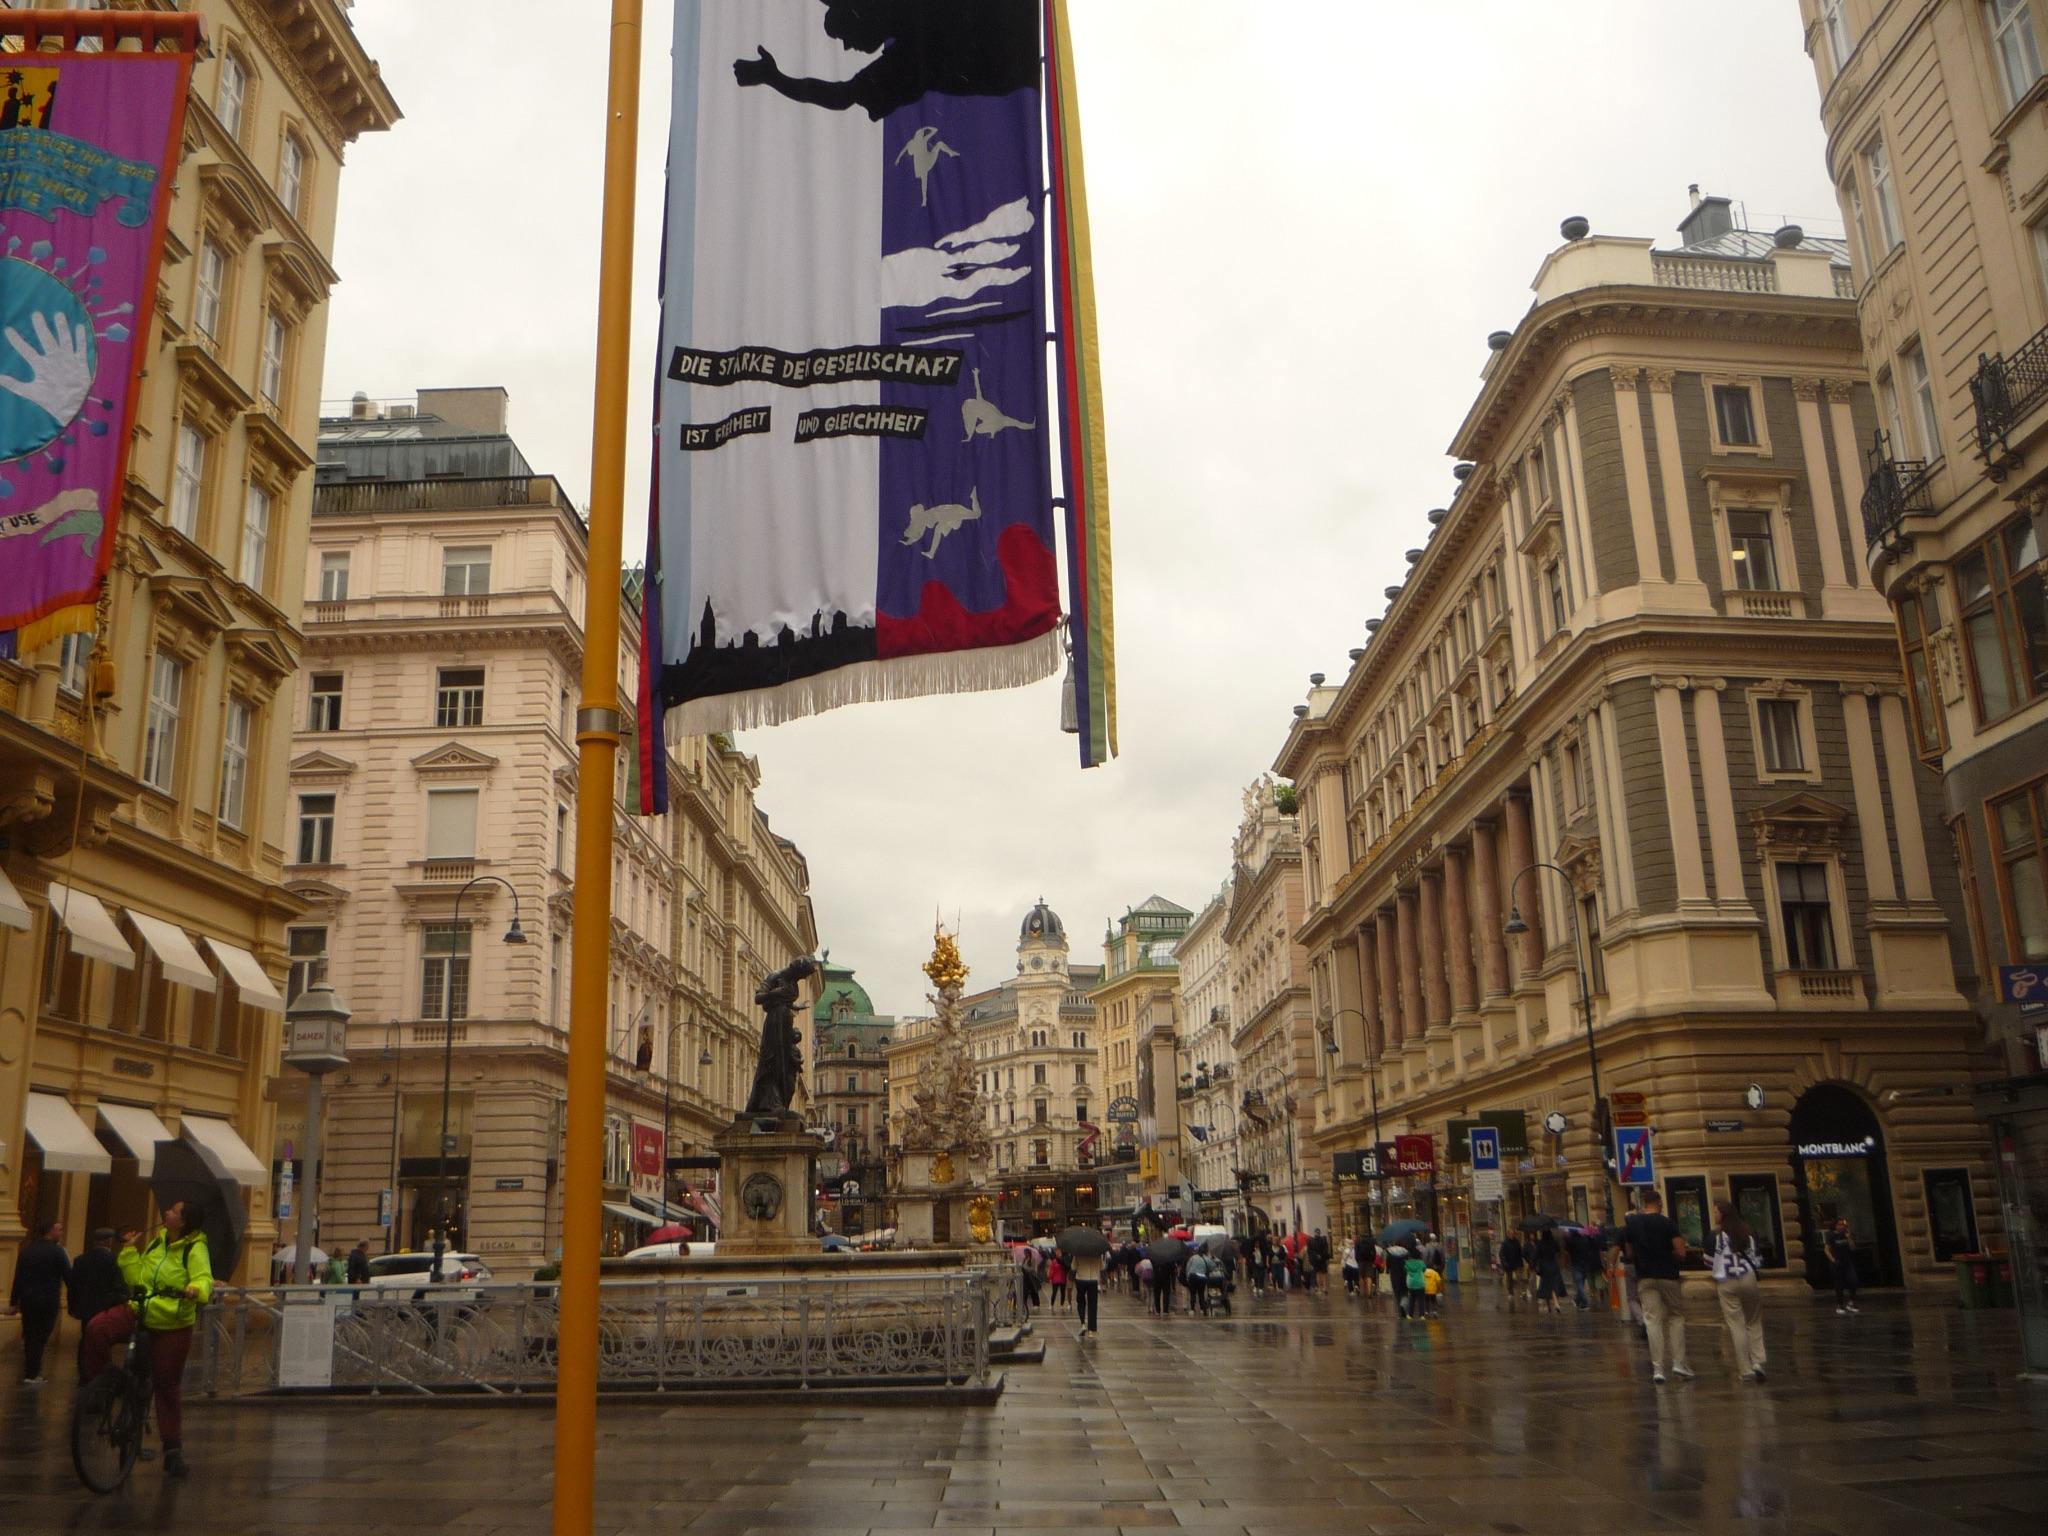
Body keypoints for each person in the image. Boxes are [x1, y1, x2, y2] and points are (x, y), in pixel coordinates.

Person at [91, 1200, 212, 1477]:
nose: (166, 1212)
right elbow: (138, 1278)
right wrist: (130, 1252)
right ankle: (108, 1379)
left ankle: (172, 1450)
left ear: (183, 1221)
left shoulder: (195, 1248)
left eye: (173, 1210)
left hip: (173, 1322)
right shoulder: (157, 1243)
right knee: (97, 1328)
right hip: (142, 1310)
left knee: (166, 1386)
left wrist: (195, 1289)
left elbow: (204, 1277)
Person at [1623, 1193, 1693, 1385]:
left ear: (1644, 1203)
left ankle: (1658, 1369)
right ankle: (1679, 1363)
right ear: (1659, 1204)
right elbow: (1681, 1252)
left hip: (1645, 1276)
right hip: (1668, 1275)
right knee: (1676, 1317)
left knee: (1652, 1320)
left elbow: (1629, 1253)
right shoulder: (1668, 1224)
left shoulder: (1633, 1225)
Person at [5, 1219, 69, 1385]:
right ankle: (33, 1372)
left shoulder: (27, 1251)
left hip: (28, 1300)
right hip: (47, 1300)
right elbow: (68, 1275)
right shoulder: (57, 1252)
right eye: (59, 1229)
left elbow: (18, 1278)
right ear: (50, 1231)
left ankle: (30, 1371)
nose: (61, 1233)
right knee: (41, 1336)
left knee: (30, 1334)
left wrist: (14, 1301)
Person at [1710, 1201, 1766, 1383]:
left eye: (1716, 1212)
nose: (1714, 1215)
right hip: (1748, 1277)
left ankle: (1745, 1369)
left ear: (1723, 1214)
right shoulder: (1748, 1231)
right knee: (1753, 1321)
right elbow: (1757, 1258)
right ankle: (1758, 1361)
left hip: (1726, 1280)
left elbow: (1710, 1260)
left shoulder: (1716, 1235)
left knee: (1736, 1325)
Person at [1825, 1219, 1860, 1315]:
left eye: (1843, 1224)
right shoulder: (1831, 1235)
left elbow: (1853, 1248)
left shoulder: (1847, 1234)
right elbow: (1827, 1249)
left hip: (1847, 1262)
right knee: (1839, 1285)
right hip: (1837, 1262)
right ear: (1835, 1226)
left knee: (1853, 1281)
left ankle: (1851, 1303)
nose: (1842, 1226)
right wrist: (1833, 1260)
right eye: (1840, 1224)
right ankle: (1840, 1305)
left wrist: (1849, 1238)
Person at [1532, 1226, 1566, 1315]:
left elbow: (1536, 1256)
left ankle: (1551, 1305)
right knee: (1554, 1284)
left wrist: (1535, 1265)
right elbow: (1558, 1251)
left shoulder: (1540, 1243)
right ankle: (1556, 1303)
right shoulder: (1553, 1242)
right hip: (1553, 1265)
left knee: (1547, 1286)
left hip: (1544, 1267)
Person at [1070, 1246, 1102, 1336]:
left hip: (1081, 1279)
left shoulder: (1078, 1253)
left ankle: (1083, 1323)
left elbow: (1073, 1267)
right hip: (1093, 1280)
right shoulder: (1097, 1254)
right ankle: (1091, 1330)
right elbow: (1101, 1266)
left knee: (1080, 1302)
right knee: (1092, 1304)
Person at [1495, 1232, 1525, 1311]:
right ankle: (1510, 1292)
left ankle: (1522, 1291)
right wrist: (1504, 1263)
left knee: (1519, 1277)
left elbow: (1520, 1253)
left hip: (1516, 1263)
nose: (1512, 1235)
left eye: (1513, 1234)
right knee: (1509, 1279)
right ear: (1508, 1234)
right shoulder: (1505, 1243)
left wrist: (1521, 1262)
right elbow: (1501, 1254)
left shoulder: (1516, 1242)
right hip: (1508, 1264)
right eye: (1511, 1234)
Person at [1307, 1228, 1331, 1295]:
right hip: (1321, 1259)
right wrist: (1321, 1255)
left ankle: (1321, 1288)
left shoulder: (1311, 1241)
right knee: (1323, 1273)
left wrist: (1316, 1256)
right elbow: (1326, 1249)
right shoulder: (1323, 1240)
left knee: (1319, 1274)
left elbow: (1310, 1251)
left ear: (1315, 1233)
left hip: (1317, 1260)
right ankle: (1324, 1287)